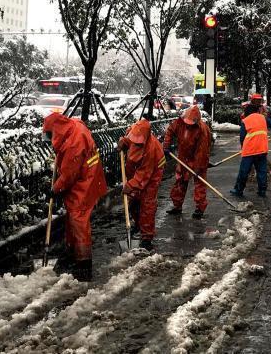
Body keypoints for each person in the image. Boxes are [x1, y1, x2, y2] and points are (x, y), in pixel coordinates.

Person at [43, 112, 108, 279]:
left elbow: (69, 174)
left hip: (85, 181)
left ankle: (84, 261)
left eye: (51, 135)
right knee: (72, 214)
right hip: (87, 175)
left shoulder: (73, 144)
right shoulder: (73, 126)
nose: (50, 139)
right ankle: (72, 250)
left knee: (78, 218)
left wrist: (55, 189)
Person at [118, 118, 165, 250]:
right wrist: (124, 142)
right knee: (133, 202)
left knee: (147, 205)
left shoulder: (151, 149)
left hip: (152, 175)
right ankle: (139, 224)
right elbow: (130, 139)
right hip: (137, 173)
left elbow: (144, 174)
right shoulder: (134, 133)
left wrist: (130, 185)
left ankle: (147, 237)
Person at [162, 105, 212, 218]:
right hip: (183, 157)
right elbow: (170, 131)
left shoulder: (202, 130)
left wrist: (198, 168)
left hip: (198, 159)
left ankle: (200, 208)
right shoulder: (180, 123)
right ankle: (177, 206)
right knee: (180, 182)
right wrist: (166, 145)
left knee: (199, 183)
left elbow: (202, 152)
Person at [231, 103, 271, 199]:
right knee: (261, 171)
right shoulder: (262, 118)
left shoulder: (246, 121)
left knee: (244, 171)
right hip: (262, 149)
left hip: (249, 151)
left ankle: (239, 190)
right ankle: (262, 190)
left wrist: (243, 147)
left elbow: (242, 137)